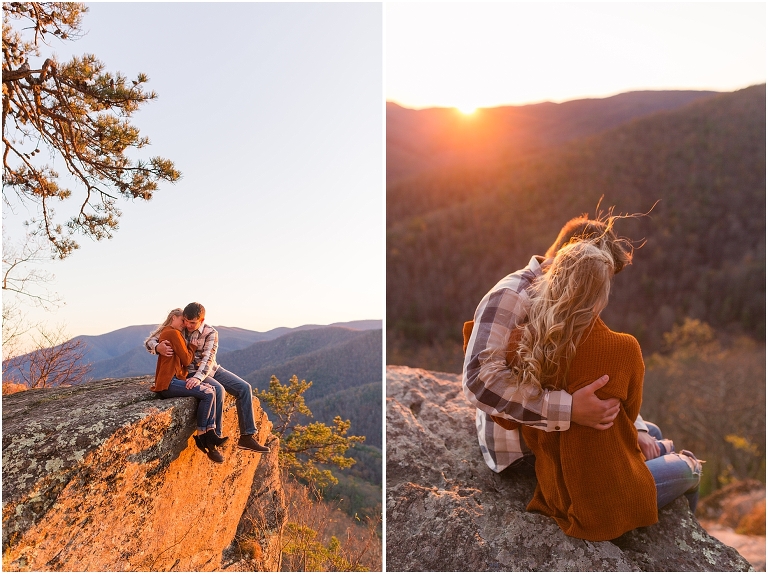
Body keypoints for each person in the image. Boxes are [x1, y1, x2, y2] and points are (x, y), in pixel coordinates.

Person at [510, 240, 700, 540]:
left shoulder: (524, 342)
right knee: (692, 468)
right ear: (601, 294)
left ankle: (660, 448)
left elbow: (505, 416)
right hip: (603, 504)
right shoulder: (624, 349)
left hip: (556, 494)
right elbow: (628, 415)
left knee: (654, 433)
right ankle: (684, 545)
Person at [463, 216, 648, 475]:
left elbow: (593, 368)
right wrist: (569, 409)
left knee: (650, 435)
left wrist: (635, 426)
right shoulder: (511, 294)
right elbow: (479, 380)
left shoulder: (571, 293)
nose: (602, 287)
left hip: (559, 431)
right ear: (574, 256)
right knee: (680, 470)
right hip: (521, 449)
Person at [145, 302, 270, 454]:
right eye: (185, 321)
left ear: (201, 320)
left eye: (192, 323)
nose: (188, 325)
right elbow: (152, 340)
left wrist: (198, 378)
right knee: (218, 390)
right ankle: (213, 438)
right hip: (189, 371)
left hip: (209, 368)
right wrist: (157, 347)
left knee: (244, 388)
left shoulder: (210, 332)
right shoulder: (181, 327)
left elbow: (208, 360)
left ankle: (247, 436)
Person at [147, 308, 228, 464]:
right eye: (182, 320)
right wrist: (191, 347)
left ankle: (209, 432)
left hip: (174, 379)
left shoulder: (173, 332)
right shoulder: (172, 333)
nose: (184, 324)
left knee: (212, 390)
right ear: (173, 318)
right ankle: (202, 433)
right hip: (168, 383)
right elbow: (186, 360)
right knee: (209, 393)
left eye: (186, 321)